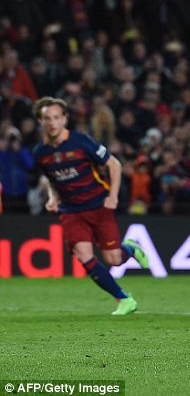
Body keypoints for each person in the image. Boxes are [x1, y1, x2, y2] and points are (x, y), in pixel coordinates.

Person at [32, 97, 149, 315]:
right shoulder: (40, 153)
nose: (52, 122)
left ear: (64, 118)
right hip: (71, 211)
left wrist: (113, 195)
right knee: (84, 256)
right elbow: (51, 177)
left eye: (56, 117)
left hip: (98, 205)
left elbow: (114, 164)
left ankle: (130, 248)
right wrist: (52, 196)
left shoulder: (81, 141)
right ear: (41, 121)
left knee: (113, 259)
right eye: (47, 118)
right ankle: (124, 299)